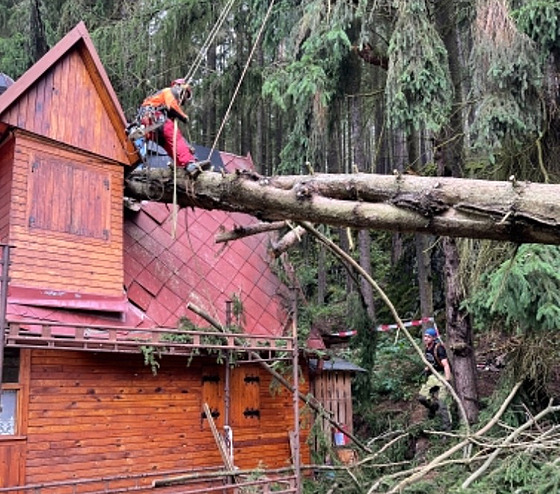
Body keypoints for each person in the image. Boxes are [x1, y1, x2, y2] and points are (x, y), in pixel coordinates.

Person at [138, 78, 209, 175]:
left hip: (152, 123)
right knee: (174, 136)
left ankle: (183, 166)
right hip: (154, 116)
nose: (183, 99)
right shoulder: (168, 91)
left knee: (170, 145)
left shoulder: (166, 109)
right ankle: (189, 163)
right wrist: (184, 117)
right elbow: (171, 105)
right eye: (185, 95)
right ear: (180, 87)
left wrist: (187, 146)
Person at [418, 327, 452, 429]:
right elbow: (431, 361)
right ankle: (433, 407)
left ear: (433, 338)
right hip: (433, 375)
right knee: (422, 398)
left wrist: (447, 381)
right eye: (425, 336)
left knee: (443, 404)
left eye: (428, 337)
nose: (426, 338)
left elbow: (446, 365)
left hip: (442, 375)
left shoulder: (439, 348)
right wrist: (427, 368)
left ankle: (447, 428)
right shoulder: (427, 348)